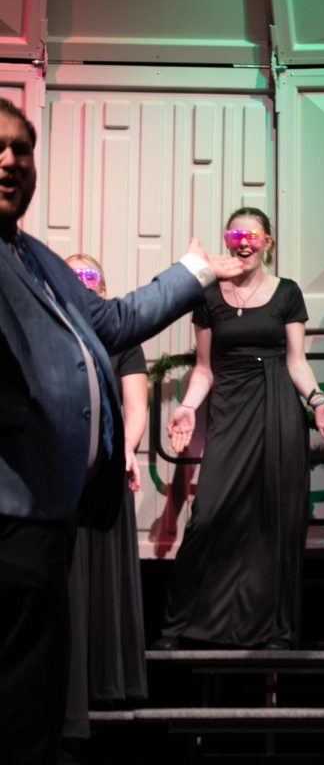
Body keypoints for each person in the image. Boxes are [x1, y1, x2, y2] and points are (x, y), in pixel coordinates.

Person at [0, 97, 243, 765]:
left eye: (23, 149)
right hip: (7, 509)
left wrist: (193, 273)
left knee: (31, 694)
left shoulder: (37, 259)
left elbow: (110, 325)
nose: (11, 161)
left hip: (45, 516)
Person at [157, 207, 324, 651]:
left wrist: (318, 403)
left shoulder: (287, 293)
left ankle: (275, 629)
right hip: (231, 407)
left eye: (252, 235)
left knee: (275, 519)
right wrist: (185, 408)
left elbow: (297, 362)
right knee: (209, 514)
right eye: (235, 234)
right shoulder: (208, 296)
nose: (243, 242)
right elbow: (203, 369)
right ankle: (180, 625)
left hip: (278, 404)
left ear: (268, 242)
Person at [61, 255, 150, 746]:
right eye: (71, 275)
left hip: (107, 464)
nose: (81, 282)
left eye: (90, 274)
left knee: (102, 577)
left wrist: (127, 451)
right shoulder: (46, 330)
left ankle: (103, 681)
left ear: (104, 285)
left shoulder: (120, 337)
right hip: (61, 471)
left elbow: (135, 405)